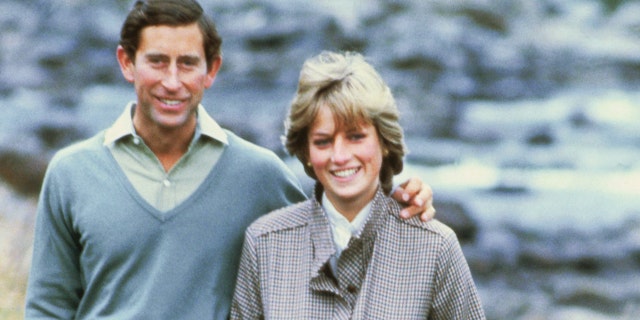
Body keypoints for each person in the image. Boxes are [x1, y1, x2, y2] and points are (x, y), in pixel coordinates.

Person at [24, 1, 435, 319]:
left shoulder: (258, 175)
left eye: (187, 63)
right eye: (157, 61)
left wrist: (401, 198)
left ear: (211, 70)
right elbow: (49, 308)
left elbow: (342, 233)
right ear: (127, 63)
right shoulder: (71, 173)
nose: (172, 81)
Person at [230, 51, 485, 319]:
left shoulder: (435, 247)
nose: (339, 156)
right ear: (306, 151)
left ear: (384, 142)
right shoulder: (264, 244)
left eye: (355, 137)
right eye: (323, 141)